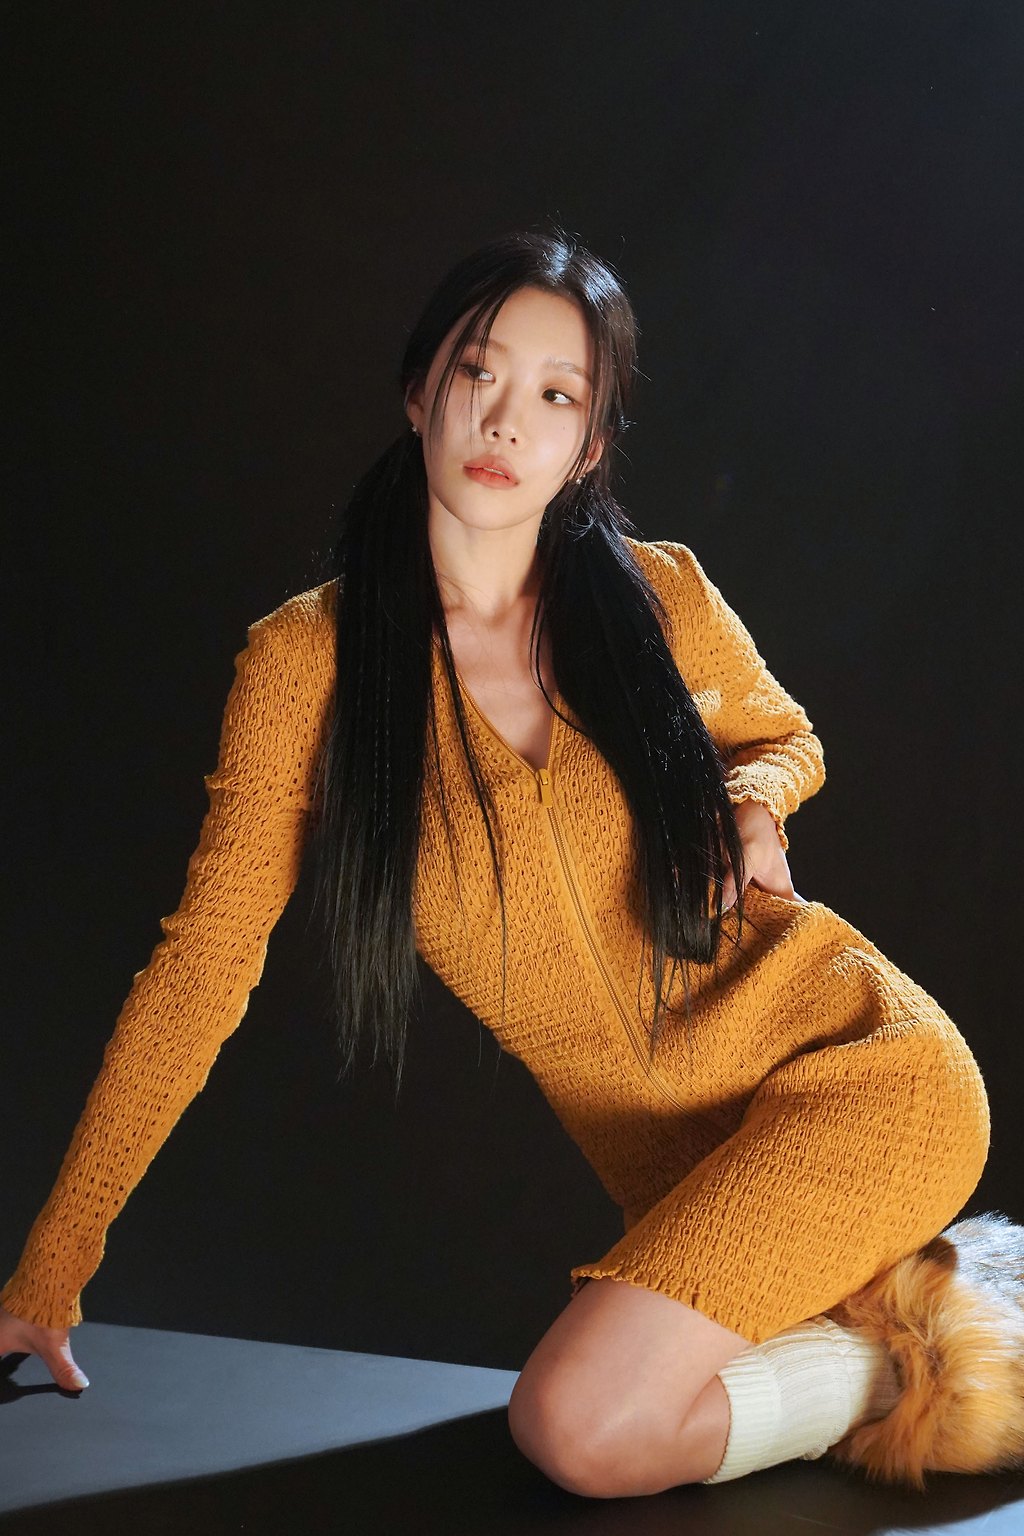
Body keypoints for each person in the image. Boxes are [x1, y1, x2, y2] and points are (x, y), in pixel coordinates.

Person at [2, 225, 1021, 1496]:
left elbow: (785, 736)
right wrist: (54, 1261)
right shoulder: (307, 665)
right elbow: (202, 966)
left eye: (555, 395)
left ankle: (970, 1344)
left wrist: (753, 802)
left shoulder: (656, 593)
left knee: (576, 1427)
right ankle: (952, 1335)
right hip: (691, 1168)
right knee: (603, 1431)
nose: (504, 420)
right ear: (419, 389)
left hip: (866, 1073)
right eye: (479, 372)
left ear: (588, 445)